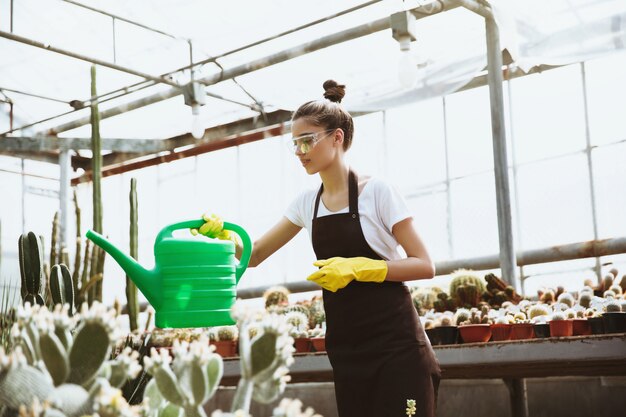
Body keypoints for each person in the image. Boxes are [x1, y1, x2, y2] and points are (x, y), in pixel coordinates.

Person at [202, 79, 440, 417]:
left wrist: (363, 267)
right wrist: (224, 236)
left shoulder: (378, 192)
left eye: (307, 141)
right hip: (347, 352)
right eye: (295, 144)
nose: (300, 152)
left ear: (337, 138)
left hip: (397, 351)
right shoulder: (306, 203)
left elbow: (425, 264)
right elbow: (253, 255)